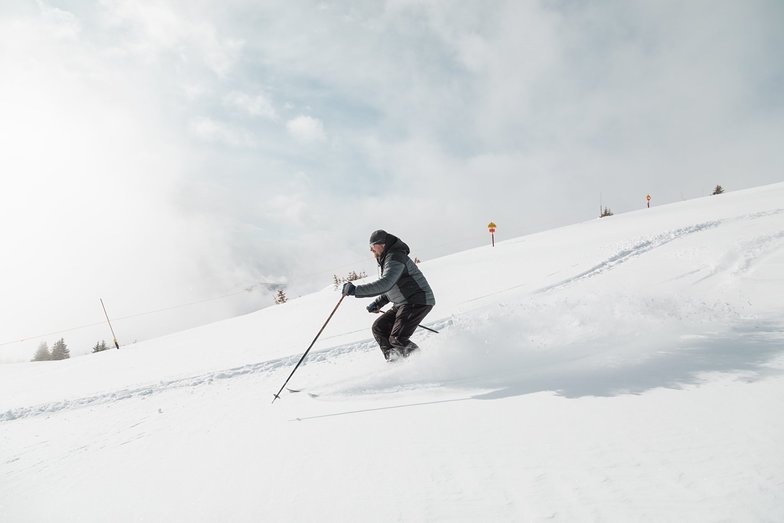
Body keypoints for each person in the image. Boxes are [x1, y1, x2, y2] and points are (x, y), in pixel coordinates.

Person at [342, 230, 435, 361]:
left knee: (397, 338)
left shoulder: (395, 257)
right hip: (403, 303)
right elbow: (393, 287)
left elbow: (386, 283)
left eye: (372, 246)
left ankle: (423, 363)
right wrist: (379, 302)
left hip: (417, 300)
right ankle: (395, 361)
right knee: (379, 328)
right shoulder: (387, 258)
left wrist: (355, 290)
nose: (371, 250)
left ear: (382, 245)